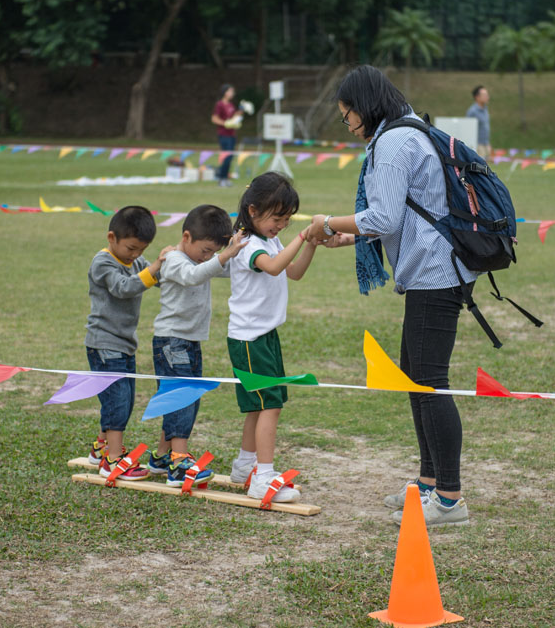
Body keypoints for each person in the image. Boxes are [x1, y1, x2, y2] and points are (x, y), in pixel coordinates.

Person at [306, 65, 477, 527]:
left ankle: (448, 499)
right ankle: (428, 483)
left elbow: (381, 217)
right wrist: (349, 237)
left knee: (429, 382)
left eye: (347, 118)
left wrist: (325, 223)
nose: (349, 126)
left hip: (435, 273)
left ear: (363, 108)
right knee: (415, 378)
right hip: (434, 269)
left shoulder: (393, 141)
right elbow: (399, 215)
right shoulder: (410, 130)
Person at [226, 172, 319, 503]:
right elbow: (275, 267)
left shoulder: (270, 240)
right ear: (253, 211)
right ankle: (263, 477)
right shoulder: (248, 243)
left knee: (259, 405)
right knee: (271, 405)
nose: (282, 225)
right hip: (249, 338)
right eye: (277, 218)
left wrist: (310, 243)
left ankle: (245, 466)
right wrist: (304, 234)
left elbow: (293, 271)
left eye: (287, 220)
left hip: (264, 335)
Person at [147, 204, 248, 487]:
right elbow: (196, 275)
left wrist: (246, 259)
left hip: (189, 341)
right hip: (171, 342)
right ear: (187, 236)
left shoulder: (198, 260)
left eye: (213, 252)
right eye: (206, 250)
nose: (210, 257)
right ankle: (179, 462)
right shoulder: (175, 260)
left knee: (180, 396)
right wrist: (225, 255)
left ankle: (161, 457)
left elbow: (221, 269)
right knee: (181, 398)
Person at [86, 205, 174, 481]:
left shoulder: (135, 261)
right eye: (131, 248)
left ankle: (100, 448)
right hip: (104, 343)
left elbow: (153, 278)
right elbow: (124, 288)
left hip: (124, 344)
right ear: (112, 237)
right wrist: (155, 268)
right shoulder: (103, 263)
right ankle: (113, 460)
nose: (136, 255)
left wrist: (172, 262)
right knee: (119, 400)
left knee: (118, 399)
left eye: (141, 249)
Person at [211, 84, 240, 187]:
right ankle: (221, 179)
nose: (232, 93)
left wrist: (241, 112)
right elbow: (214, 118)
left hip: (232, 135)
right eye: (230, 91)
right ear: (225, 92)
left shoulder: (231, 105)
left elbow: (234, 118)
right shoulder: (220, 104)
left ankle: (226, 178)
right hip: (224, 135)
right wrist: (225, 123)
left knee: (230, 157)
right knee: (226, 157)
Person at [466, 84, 491, 160]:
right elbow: (469, 129)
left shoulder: (485, 109)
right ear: (477, 97)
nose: (487, 96)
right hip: (478, 145)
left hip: (485, 143)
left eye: (487, 94)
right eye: (484, 95)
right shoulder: (472, 111)